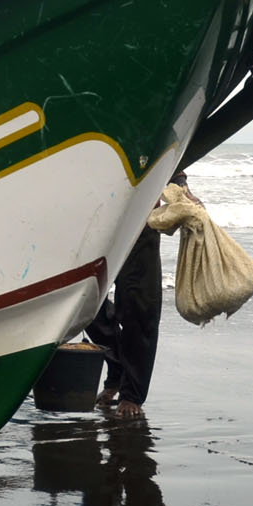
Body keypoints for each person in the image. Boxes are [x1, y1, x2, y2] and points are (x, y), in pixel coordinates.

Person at [87, 171, 189, 418]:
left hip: (140, 216)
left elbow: (164, 146)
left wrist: (180, 184)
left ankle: (131, 394)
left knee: (139, 307)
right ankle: (117, 367)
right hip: (90, 216)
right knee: (85, 303)